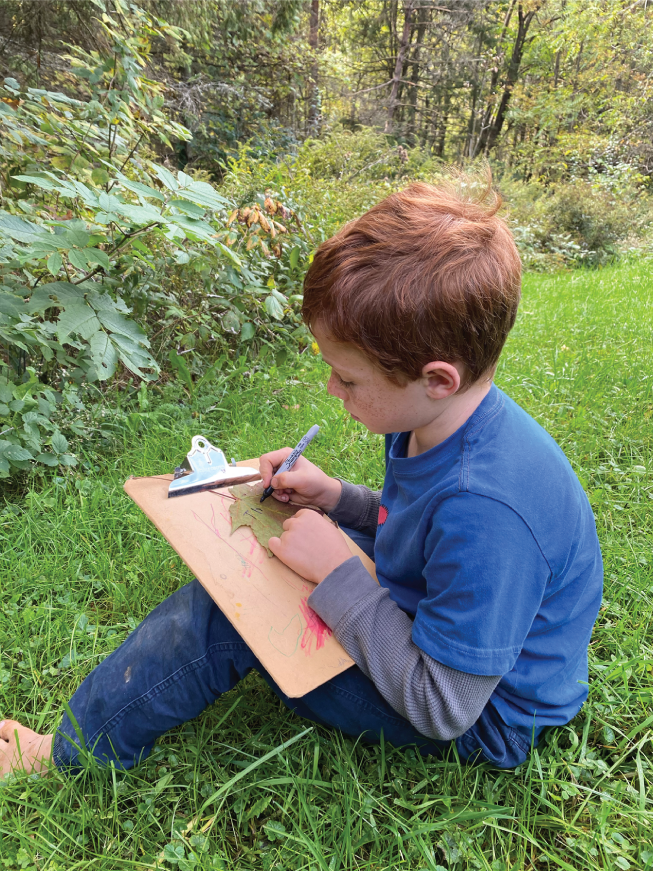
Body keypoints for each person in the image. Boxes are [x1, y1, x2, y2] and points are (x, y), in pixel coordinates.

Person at [0, 176, 603, 778]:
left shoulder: (488, 508)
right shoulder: (437, 419)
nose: (332, 389)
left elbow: (444, 706)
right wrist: (337, 500)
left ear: (437, 377)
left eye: (349, 378)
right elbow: (420, 529)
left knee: (227, 616)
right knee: (277, 553)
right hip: (427, 628)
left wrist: (341, 579)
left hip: (482, 718)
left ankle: (68, 756)